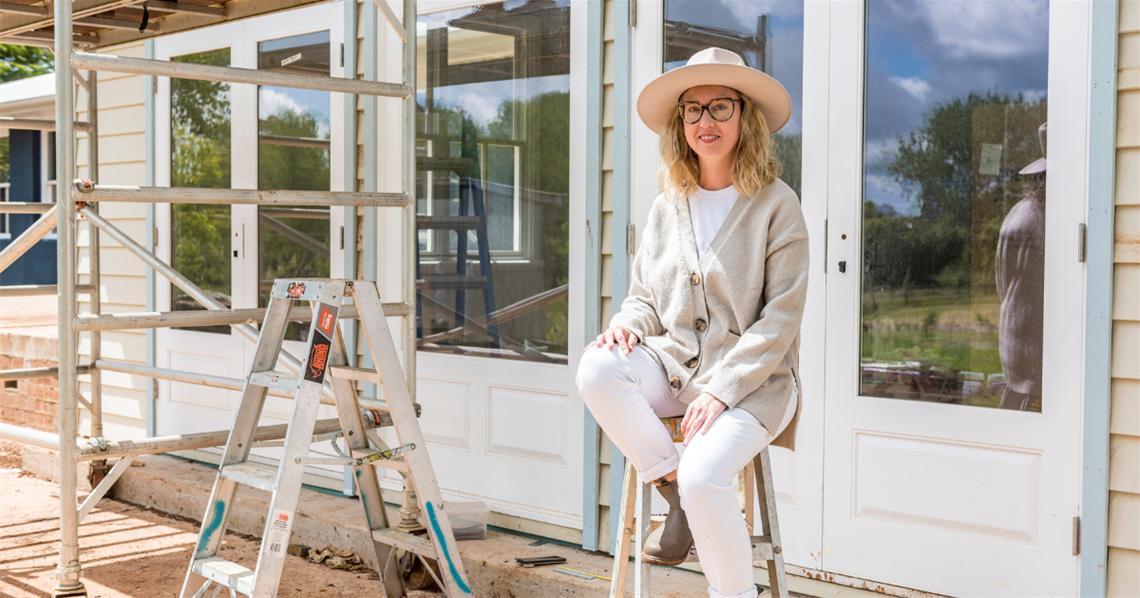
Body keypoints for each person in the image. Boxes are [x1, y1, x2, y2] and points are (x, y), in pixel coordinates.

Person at [576, 47, 809, 598]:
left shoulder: (778, 205)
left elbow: (782, 320)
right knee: (597, 368)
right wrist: (627, 325)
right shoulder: (668, 204)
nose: (705, 122)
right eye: (692, 110)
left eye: (720, 107)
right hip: (677, 367)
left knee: (710, 478)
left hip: (756, 385)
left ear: (745, 117)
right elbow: (644, 298)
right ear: (680, 125)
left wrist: (725, 391)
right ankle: (673, 484)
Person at [996, 122, 1047, 412]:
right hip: (1025, 326)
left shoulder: (1045, 214)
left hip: (1034, 324)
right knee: (1024, 397)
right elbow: (1004, 281)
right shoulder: (1024, 220)